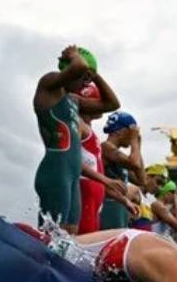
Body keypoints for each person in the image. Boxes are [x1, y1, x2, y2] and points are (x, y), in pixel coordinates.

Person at [33, 46, 119, 232]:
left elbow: (112, 104)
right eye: (84, 78)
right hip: (55, 169)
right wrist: (74, 57)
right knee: (52, 235)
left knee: (70, 237)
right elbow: (79, 65)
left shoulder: (74, 100)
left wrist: (95, 75)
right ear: (69, 69)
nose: (86, 85)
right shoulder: (48, 85)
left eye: (89, 80)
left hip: (71, 175)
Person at [77, 88, 134, 233]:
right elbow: (71, 160)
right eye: (98, 102)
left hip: (93, 200)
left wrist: (123, 199)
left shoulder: (89, 130)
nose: (103, 105)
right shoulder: (77, 125)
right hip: (82, 195)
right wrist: (106, 180)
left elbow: (96, 175)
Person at [100, 113, 149, 230]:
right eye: (131, 132)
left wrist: (138, 144)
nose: (134, 135)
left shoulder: (122, 158)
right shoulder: (106, 147)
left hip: (120, 208)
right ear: (119, 131)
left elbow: (142, 180)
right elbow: (134, 163)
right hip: (109, 206)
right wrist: (134, 142)